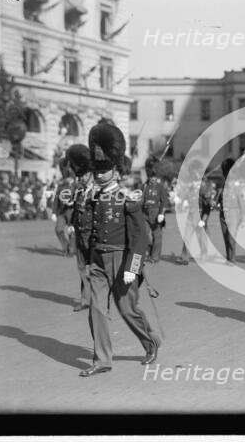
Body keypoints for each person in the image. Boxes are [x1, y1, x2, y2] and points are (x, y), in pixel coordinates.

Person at [80, 120, 159, 377]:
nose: (99, 174)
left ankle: (149, 342)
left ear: (116, 171)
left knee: (127, 309)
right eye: (96, 171)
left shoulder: (129, 197)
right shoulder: (93, 196)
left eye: (104, 170)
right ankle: (102, 359)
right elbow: (88, 228)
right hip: (98, 260)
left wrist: (132, 267)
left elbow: (140, 237)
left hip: (121, 259)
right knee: (96, 308)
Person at [66, 144, 93, 312]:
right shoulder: (80, 191)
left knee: (96, 270)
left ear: (91, 173)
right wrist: (71, 224)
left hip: (93, 235)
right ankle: (85, 299)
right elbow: (76, 209)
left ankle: (100, 298)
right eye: (79, 176)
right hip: (80, 232)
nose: (81, 178)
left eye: (84, 175)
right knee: (82, 267)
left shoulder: (99, 191)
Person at [177, 159, 209, 265]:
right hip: (191, 214)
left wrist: (204, 220)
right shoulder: (191, 184)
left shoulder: (203, 186)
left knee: (201, 238)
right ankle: (185, 257)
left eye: (192, 171)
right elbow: (185, 196)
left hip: (200, 215)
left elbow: (207, 205)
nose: (191, 173)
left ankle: (204, 255)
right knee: (186, 236)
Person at [217, 158, 245, 265]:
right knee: (225, 237)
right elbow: (218, 200)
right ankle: (229, 258)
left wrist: (243, 217)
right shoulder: (222, 187)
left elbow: (241, 202)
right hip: (223, 214)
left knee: (231, 237)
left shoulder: (237, 187)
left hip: (233, 214)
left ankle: (232, 259)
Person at [142, 156, 166, 263]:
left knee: (157, 235)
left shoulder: (160, 186)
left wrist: (161, 213)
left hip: (155, 212)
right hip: (145, 212)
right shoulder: (144, 186)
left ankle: (155, 256)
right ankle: (148, 252)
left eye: (154, 177)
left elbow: (164, 200)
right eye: (151, 177)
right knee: (147, 235)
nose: (153, 179)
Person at [52, 159, 76, 257]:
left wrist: (73, 203)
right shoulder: (60, 185)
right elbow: (55, 199)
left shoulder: (77, 185)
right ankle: (66, 247)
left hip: (73, 211)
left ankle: (71, 249)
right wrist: (54, 212)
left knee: (72, 231)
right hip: (62, 211)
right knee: (58, 230)